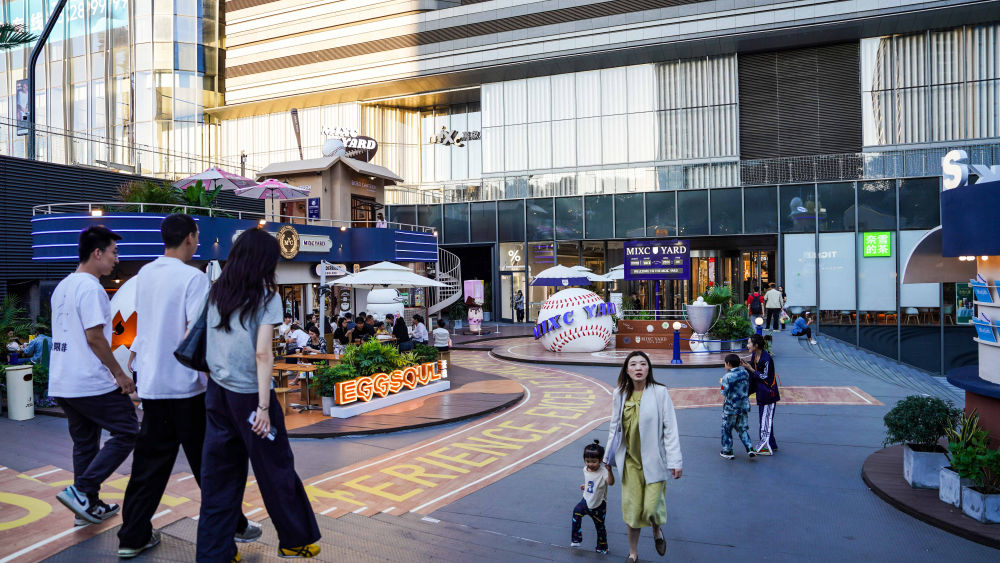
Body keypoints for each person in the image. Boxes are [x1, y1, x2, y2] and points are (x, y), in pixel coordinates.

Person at [117, 214, 259, 559]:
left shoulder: (145, 274)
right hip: (187, 387)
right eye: (196, 236)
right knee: (210, 465)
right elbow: (198, 333)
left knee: (148, 466)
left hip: (153, 385)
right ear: (190, 238)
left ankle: (132, 536)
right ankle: (234, 525)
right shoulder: (193, 279)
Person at [198, 227, 321, 561]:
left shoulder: (216, 291)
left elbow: (203, 341)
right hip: (252, 397)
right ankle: (294, 539)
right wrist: (264, 408)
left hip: (217, 393)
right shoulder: (266, 296)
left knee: (219, 476)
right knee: (275, 467)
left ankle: (215, 553)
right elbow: (263, 353)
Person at [49, 226, 138, 526]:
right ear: (97, 253)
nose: (117, 259)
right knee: (128, 430)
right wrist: (120, 374)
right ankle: (83, 489)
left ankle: (85, 508)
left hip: (63, 381)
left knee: (85, 444)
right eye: (114, 252)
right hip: (88, 381)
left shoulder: (63, 286)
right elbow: (94, 337)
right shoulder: (91, 288)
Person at [603, 351, 682, 563]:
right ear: (626, 370)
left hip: (654, 461)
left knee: (650, 509)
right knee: (632, 513)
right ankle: (633, 553)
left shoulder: (660, 392)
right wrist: (608, 458)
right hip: (630, 463)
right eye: (633, 364)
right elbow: (614, 428)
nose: (638, 368)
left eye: (643, 364)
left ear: (648, 368)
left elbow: (670, 429)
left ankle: (656, 529)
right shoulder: (619, 393)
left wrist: (675, 461)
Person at [571, 439, 615, 554]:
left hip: (599, 504)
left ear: (600, 460)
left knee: (600, 526)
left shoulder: (603, 472)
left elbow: (610, 483)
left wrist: (610, 471)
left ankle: (602, 546)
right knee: (576, 512)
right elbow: (591, 481)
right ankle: (576, 538)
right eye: (587, 461)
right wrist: (586, 486)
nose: (590, 464)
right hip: (586, 500)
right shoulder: (585, 469)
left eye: (594, 462)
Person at [742, 334, 781, 455]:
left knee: (765, 420)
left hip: (768, 393)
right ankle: (771, 443)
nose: (747, 345)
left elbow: (766, 377)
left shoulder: (767, 358)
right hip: (761, 392)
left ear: (756, 345)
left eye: (749, 343)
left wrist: (751, 369)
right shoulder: (755, 355)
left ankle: (765, 447)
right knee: (765, 419)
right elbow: (753, 373)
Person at [720, 354, 755, 460]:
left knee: (727, 428)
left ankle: (727, 450)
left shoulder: (727, 377)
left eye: (725, 364)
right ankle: (749, 447)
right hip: (743, 406)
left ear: (728, 364)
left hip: (731, 407)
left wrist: (721, 383)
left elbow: (723, 392)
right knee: (742, 428)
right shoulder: (745, 373)